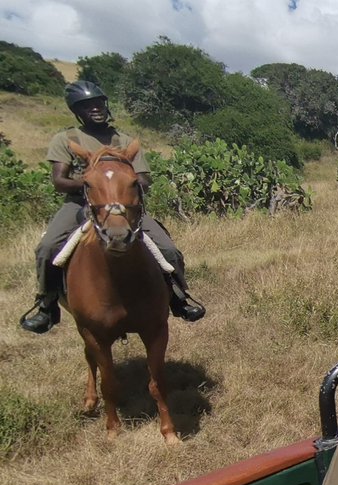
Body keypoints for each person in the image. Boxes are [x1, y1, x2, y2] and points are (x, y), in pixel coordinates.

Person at [19, 81, 205, 334]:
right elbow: (59, 180)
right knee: (47, 247)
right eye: (86, 106)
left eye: (98, 103)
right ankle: (47, 304)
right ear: (77, 111)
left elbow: (144, 179)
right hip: (80, 204)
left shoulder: (125, 141)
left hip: (126, 208)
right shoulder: (67, 139)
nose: (95, 109)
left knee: (168, 249)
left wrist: (122, 183)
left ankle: (179, 297)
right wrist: (90, 185)